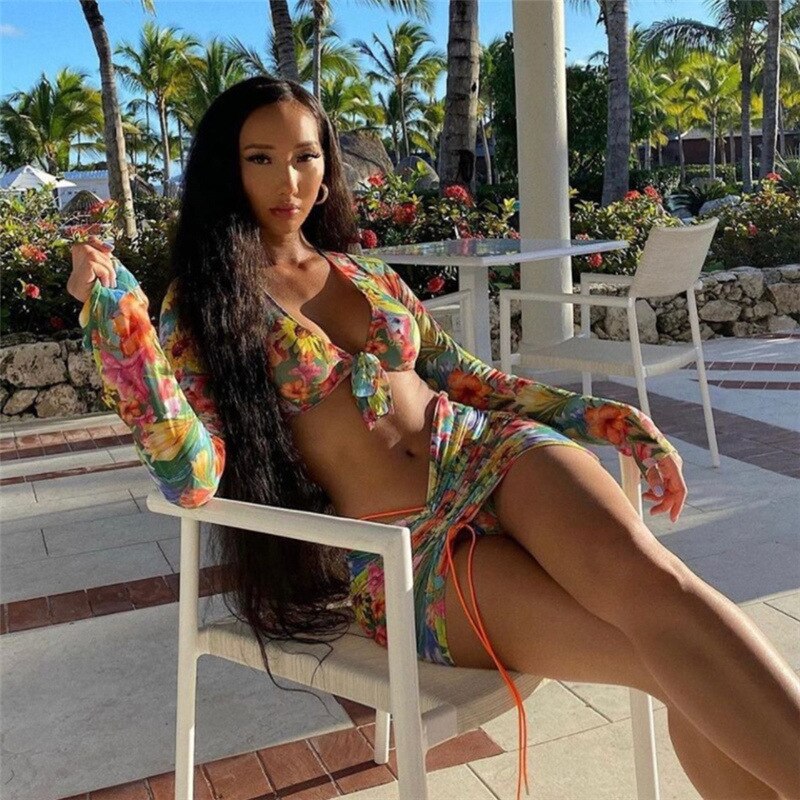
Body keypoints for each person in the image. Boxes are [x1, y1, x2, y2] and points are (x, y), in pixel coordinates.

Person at [66, 76, 799, 800]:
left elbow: (466, 378)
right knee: (673, 660)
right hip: (404, 547)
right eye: (261, 158)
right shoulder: (203, 306)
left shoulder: (366, 273)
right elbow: (194, 475)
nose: (288, 180)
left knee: (669, 600)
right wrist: (122, 333)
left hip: (491, 453)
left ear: (327, 167)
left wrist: (602, 418)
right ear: (226, 170)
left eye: (305, 156)